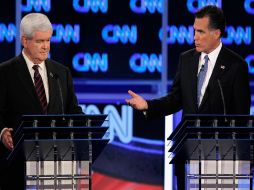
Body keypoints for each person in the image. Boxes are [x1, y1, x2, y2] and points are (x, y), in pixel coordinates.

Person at [126, 5, 250, 190]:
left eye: (201, 31)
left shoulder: (236, 65)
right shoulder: (187, 59)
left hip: (220, 156)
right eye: (194, 31)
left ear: (216, 33)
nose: (195, 37)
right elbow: (176, 99)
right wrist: (148, 106)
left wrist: (243, 157)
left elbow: (241, 117)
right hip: (188, 152)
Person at [0, 13, 83, 189]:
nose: (46, 47)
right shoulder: (5, 72)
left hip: (57, 160)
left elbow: (73, 110)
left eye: (48, 40)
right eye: (40, 41)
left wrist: (85, 125)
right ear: (25, 41)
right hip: (18, 163)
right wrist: (1, 132)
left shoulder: (62, 72)